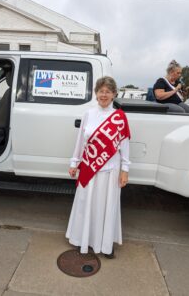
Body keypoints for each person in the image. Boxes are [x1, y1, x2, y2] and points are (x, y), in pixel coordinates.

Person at [66, 76, 130, 259]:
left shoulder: (119, 117)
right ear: (96, 93)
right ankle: (82, 241)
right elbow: (80, 141)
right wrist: (74, 163)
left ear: (114, 94)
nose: (104, 94)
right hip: (89, 167)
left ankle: (106, 245)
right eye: (101, 91)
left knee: (107, 207)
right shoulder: (88, 113)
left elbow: (124, 145)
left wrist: (125, 170)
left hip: (111, 170)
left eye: (108, 91)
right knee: (86, 204)